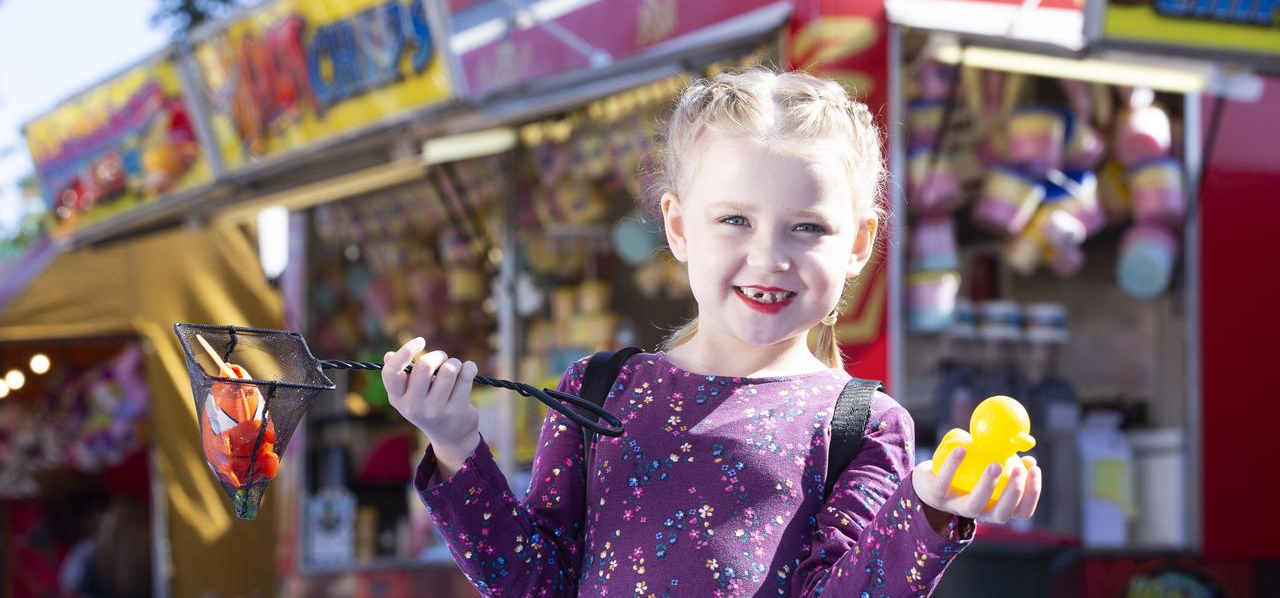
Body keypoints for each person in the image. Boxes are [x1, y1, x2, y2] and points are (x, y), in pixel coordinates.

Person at [382, 69, 1043, 596]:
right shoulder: (598, 390)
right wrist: (453, 444)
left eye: (807, 227)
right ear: (677, 226)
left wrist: (925, 508)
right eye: (735, 220)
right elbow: (528, 581)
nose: (769, 257)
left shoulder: (863, 424)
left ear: (859, 243)